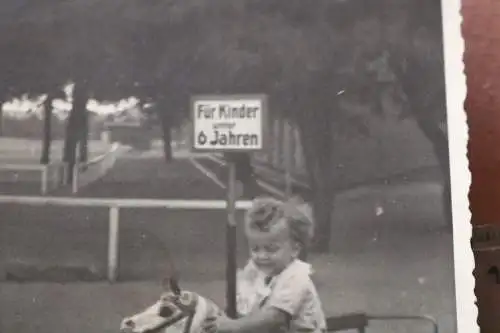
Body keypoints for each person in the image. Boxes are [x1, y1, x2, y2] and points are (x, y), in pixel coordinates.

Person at [203, 197, 326, 333]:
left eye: (271, 249)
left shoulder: (296, 277)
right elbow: (244, 303)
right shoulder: (257, 271)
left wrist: (233, 327)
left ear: (294, 249)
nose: (262, 256)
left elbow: (274, 317)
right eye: (255, 249)